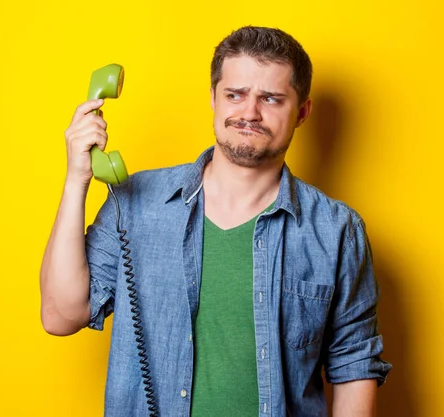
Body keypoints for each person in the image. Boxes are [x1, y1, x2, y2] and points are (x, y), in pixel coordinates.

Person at [40, 25, 392, 417]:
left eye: (271, 99)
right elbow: (61, 315)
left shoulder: (337, 231)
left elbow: (354, 364)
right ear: (213, 98)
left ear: (302, 112)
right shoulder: (137, 204)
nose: (249, 112)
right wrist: (77, 178)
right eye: (235, 94)